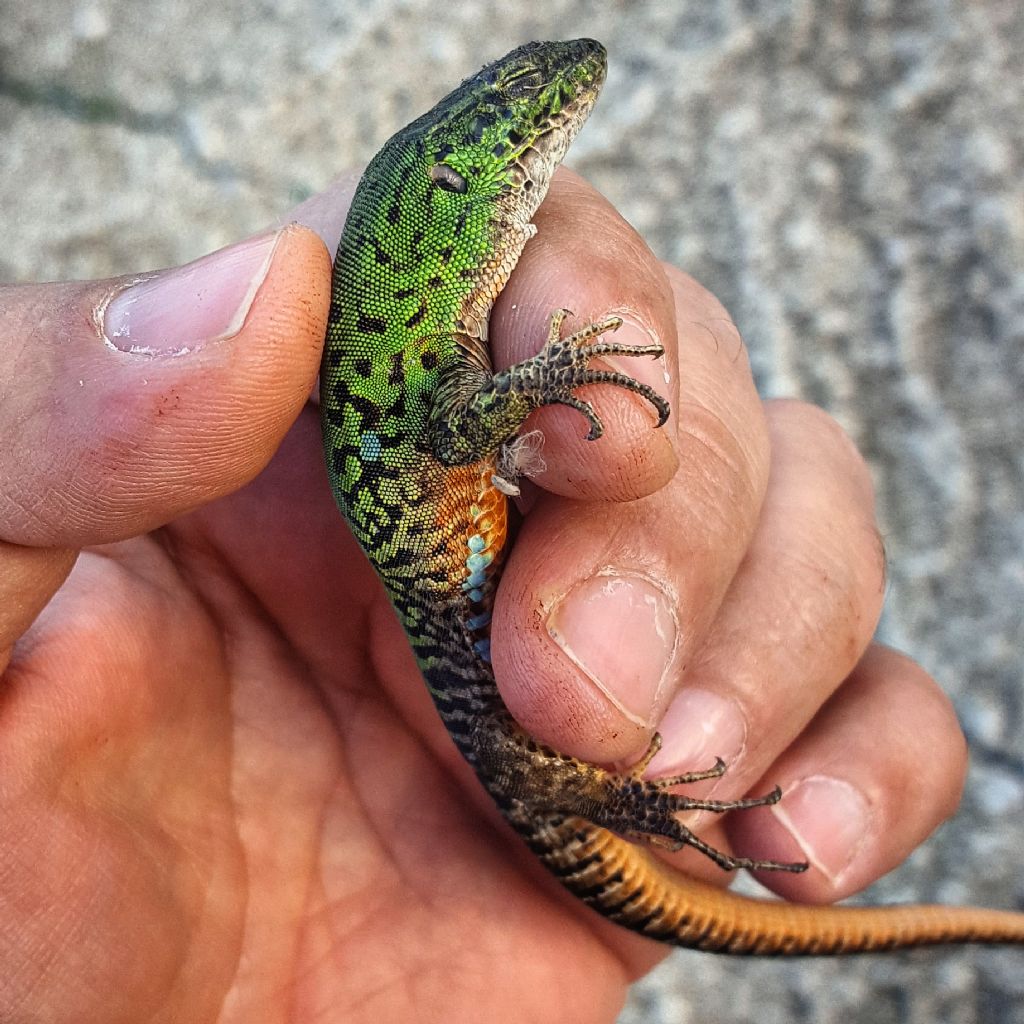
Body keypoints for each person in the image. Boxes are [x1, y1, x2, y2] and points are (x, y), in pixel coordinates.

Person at [0, 170, 965, 1022]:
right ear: (459, 212)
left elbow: (457, 420)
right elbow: (460, 423)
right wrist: (547, 374)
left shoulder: (410, 341)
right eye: (514, 152)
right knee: (571, 730)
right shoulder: (410, 349)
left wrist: (543, 376)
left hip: (457, 676)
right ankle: (634, 805)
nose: (541, 145)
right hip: (479, 684)